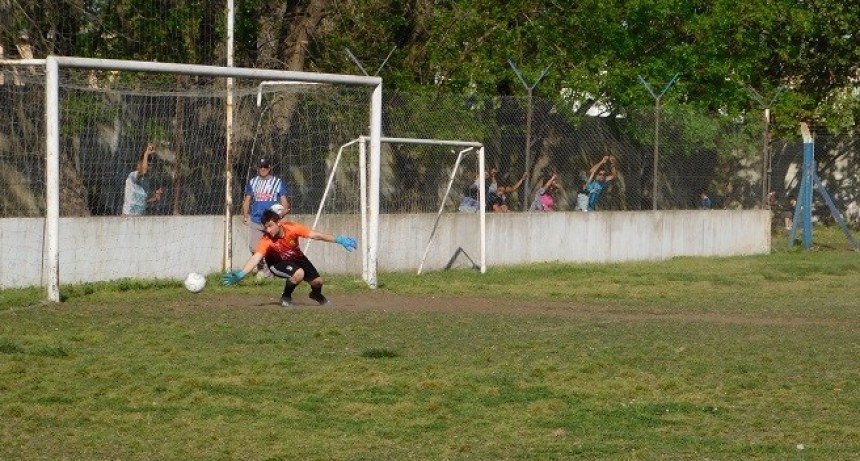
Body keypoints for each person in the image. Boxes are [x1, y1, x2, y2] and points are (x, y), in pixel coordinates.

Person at [222, 209, 358, 307]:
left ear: (279, 222)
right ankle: (286, 297)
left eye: (270, 226)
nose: (268, 230)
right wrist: (242, 273)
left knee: (318, 282)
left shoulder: (293, 228)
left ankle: (316, 295)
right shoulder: (266, 240)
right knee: (299, 273)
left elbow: (316, 235)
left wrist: (339, 239)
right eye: (266, 227)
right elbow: (256, 258)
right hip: (277, 263)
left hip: (297, 258)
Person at [242, 158, 290, 274]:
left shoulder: (277, 182)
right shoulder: (252, 182)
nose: (263, 169)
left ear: (269, 168)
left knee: (271, 247)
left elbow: (284, 202)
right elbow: (247, 200)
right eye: (260, 167)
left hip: (271, 222)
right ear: (258, 168)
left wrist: (282, 213)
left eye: (265, 167)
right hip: (256, 220)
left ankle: (268, 272)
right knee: (253, 247)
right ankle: (262, 268)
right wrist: (245, 215)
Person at [122, 143, 163, 216]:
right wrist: (146, 153)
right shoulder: (133, 175)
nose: (149, 167)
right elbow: (144, 170)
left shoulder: (146, 181)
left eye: (150, 165)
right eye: (147, 164)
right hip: (127, 215)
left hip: (138, 216)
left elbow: (142, 200)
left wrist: (154, 198)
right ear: (139, 164)